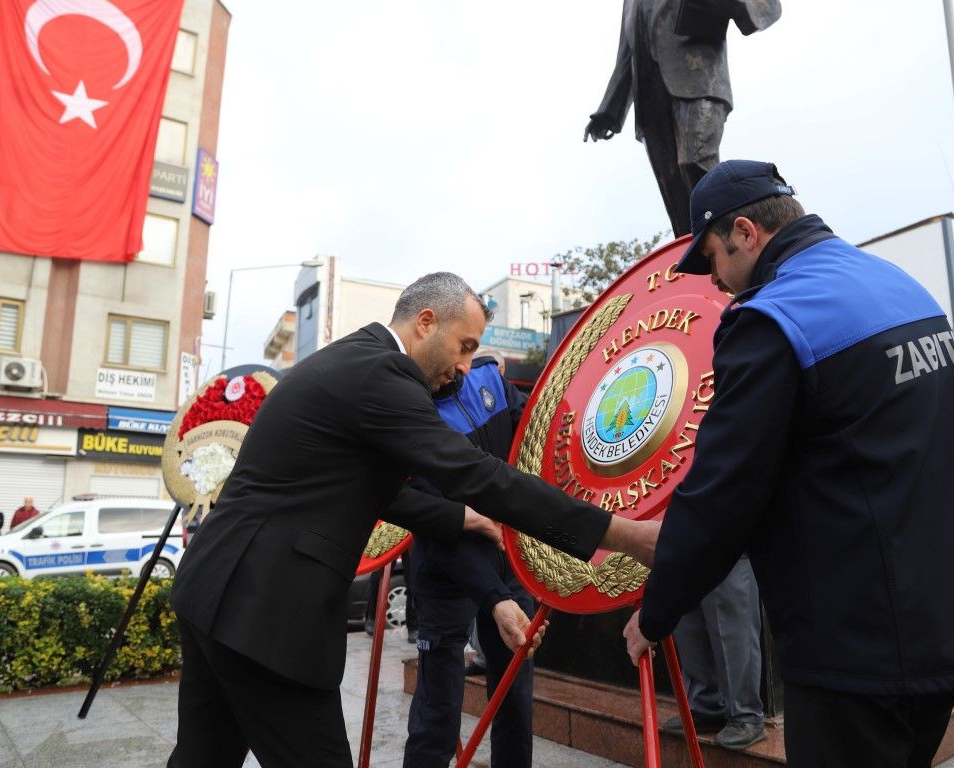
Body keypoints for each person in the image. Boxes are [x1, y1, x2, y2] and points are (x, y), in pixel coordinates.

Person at [167, 272, 659, 768]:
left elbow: (371, 492)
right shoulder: (383, 376)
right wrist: (620, 533)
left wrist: (457, 518)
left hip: (214, 587)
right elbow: (478, 475)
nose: (465, 367)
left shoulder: (353, 360)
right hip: (266, 609)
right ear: (426, 322)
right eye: (464, 346)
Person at [622, 160, 954, 767]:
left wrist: (656, 613)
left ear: (747, 232)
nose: (717, 282)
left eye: (712, 258)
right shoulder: (899, 285)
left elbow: (724, 491)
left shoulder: (773, 318)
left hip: (863, 647)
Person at [401, 351, 537, 768]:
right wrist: (494, 597)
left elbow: (531, 441)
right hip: (445, 564)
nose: (463, 363)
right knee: (437, 712)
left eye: (470, 347)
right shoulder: (410, 413)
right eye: (459, 346)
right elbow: (434, 522)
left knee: (514, 697)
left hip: (507, 554)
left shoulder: (490, 381)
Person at [584, 0, 781, 237]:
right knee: (673, 188)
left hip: (699, 80)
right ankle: (692, 253)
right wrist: (609, 111)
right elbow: (627, 55)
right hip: (651, 99)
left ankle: (729, 241)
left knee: (694, 161)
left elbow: (765, 8)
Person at [662, 555, 764, 750]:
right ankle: (705, 707)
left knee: (731, 616)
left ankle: (747, 714)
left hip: (728, 534)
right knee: (689, 622)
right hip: (684, 536)